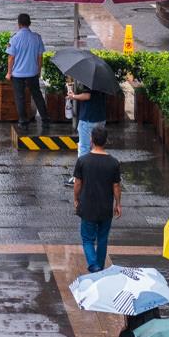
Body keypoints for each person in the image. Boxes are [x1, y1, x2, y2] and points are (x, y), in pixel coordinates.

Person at [72, 124, 123, 272]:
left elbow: (77, 183)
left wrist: (76, 199)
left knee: (87, 239)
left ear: (92, 139)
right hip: (106, 207)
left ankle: (94, 265)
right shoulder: (113, 162)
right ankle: (99, 267)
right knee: (102, 239)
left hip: (87, 207)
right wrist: (118, 204)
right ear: (106, 141)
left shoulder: (83, 160)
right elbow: (116, 186)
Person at [5, 13, 48, 134]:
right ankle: (45, 119)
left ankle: (23, 122)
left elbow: (11, 58)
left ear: (18, 24)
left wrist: (9, 73)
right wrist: (39, 71)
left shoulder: (14, 38)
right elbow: (40, 57)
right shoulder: (37, 37)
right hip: (32, 73)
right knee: (37, 95)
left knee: (20, 97)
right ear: (29, 23)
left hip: (18, 74)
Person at [66, 73, 109, 182]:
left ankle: (80, 178)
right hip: (101, 117)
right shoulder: (103, 78)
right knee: (97, 148)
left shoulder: (89, 78)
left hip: (88, 118)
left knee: (84, 148)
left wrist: (73, 96)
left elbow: (87, 96)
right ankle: (95, 175)